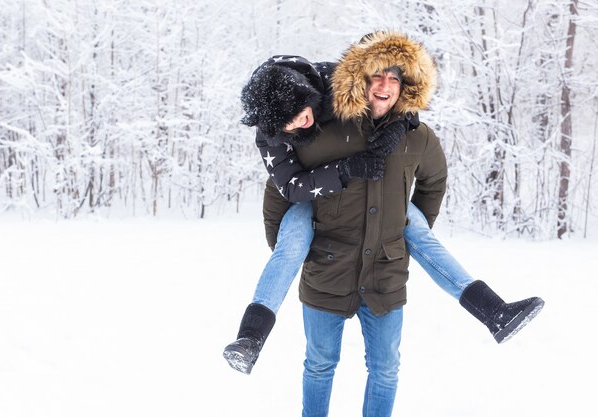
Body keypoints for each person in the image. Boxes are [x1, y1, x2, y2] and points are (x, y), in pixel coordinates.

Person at [224, 33, 544, 386]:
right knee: (291, 245)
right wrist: (343, 171)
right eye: (289, 127)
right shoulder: (269, 130)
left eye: (302, 116)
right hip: (306, 200)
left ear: (309, 96)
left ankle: (495, 312)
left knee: (416, 228)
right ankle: (250, 338)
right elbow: (287, 187)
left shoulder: (333, 80)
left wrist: (403, 124)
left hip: (367, 201)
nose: (300, 126)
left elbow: (389, 90)